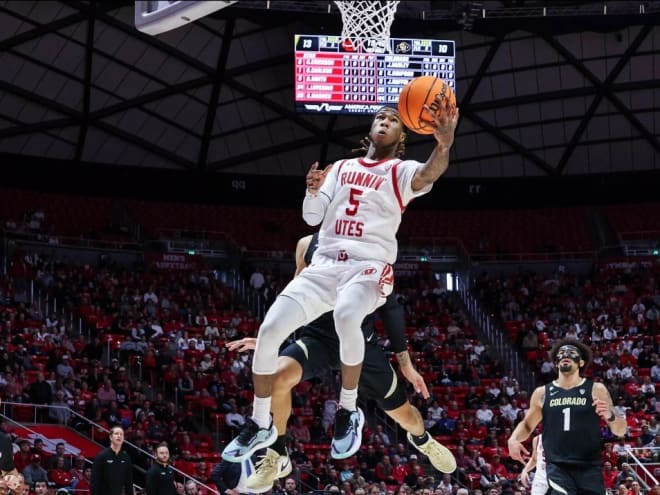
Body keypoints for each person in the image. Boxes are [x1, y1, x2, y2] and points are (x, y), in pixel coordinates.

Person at [222, 100, 459, 464]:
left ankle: (349, 412)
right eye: (379, 117)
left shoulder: (400, 170)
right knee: (269, 330)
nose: (384, 121)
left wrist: (443, 145)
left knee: (347, 315)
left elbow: (429, 174)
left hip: (367, 266)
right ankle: (260, 424)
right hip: (326, 266)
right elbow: (312, 217)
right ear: (370, 130)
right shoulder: (342, 167)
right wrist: (313, 191)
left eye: (393, 120)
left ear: (401, 137)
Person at [225, 233, 456, 490]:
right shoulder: (306, 244)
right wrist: (270, 338)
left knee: (405, 416)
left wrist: (406, 364)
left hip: (359, 344)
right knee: (277, 377)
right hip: (318, 339)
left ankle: (423, 440)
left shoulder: (370, 244)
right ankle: (277, 454)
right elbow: (295, 295)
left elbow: (390, 308)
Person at [507, 339, 627, 495]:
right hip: (558, 467)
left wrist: (610, 416)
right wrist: (513, 439)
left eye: (572, 353)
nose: (565, 355)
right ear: (556, 363)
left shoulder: (596, 389)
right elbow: (527, 425)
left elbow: (620, 430)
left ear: (581, 362)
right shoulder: (542, 393)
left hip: (589, 466)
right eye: (561, 353)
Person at [90, 426, 134, 495]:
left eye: (121, 434)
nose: (119, 436)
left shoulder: (126, 458)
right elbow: (94, 482)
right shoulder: (101, 456)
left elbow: (129, 482)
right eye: (116, 433)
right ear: (110, 437)